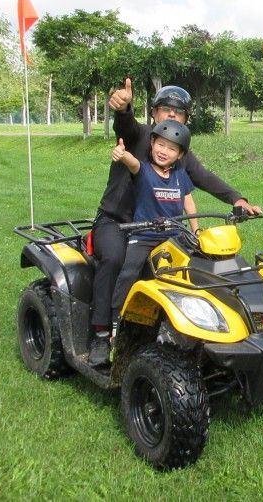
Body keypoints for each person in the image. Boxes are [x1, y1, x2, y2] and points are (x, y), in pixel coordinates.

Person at [88, 81, 261, 366]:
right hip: (117, 222)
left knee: (193, 260)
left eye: (178, 112)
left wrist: (236, 199)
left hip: (159, 227)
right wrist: (123, 108)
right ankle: (102, 332)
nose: (171, 115)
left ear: (185, 120)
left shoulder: (179, 151)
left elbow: (203, 177)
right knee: (115, 258)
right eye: (165, 109)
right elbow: (125, 126)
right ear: (154, 113)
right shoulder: (140, 136)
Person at [101, 119, 197, 365]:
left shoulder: (180, 175)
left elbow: (188, 201)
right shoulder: (143, 170)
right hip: (144, 236)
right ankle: (116, 324)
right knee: (129, 273)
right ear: (152, 143)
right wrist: (123, 155)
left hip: (173, 236)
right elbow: (133, 164)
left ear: (180, 155)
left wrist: (196, 229)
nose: (164, 151)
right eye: (160, 144)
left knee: (194, 269)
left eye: (172, 148)